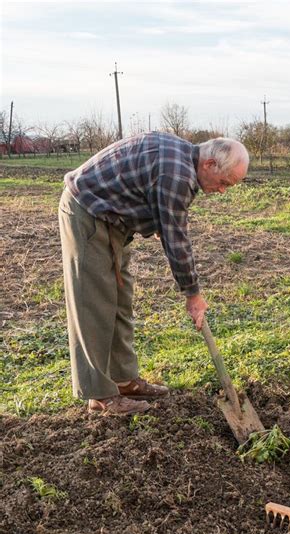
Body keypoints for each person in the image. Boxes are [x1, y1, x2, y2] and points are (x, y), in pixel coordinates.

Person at [58, 132, 249, 415]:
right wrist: (193, 295)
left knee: (120, 300)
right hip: (88, 212)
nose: (222, 191)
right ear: (209, 164)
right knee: (94, 304)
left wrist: (158, 218)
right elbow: (176, 240)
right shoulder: (178, 175)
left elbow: (152, 195)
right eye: (224, 183)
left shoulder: (183, 159)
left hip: (114, 219)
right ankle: (99, 395)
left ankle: (123, 380)